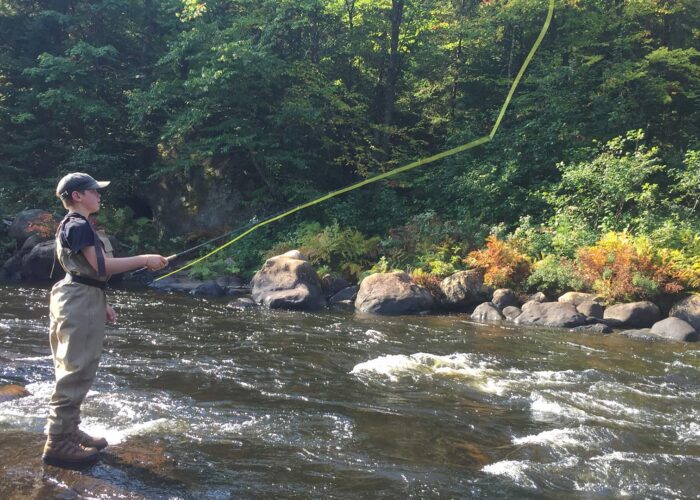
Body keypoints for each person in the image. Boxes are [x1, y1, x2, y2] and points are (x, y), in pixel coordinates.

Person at [42, 172, 169, 468]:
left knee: (72, 367)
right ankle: (58, 442)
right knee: (76, 370)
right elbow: (101, 265)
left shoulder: (75, 225)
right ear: (77, 196)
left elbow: (85, 272)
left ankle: (69, 431)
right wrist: (144, 259)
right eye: (94, 190)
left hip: (80, 297)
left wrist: (103, 303)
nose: (99, 195)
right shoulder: (78, 225)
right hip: (79, 301)